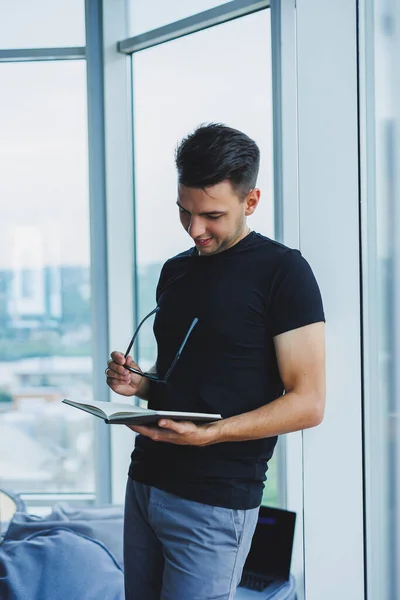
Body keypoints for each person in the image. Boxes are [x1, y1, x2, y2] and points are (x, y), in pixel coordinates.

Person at [106, 123, 326, 600]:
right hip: (144, 482)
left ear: (251, 201)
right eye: (184, 212)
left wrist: (212, 434)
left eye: (212, 215)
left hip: (214, 500)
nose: (195, 229)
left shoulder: (284, 272)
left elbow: (308, 403)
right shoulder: (176, 269)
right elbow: (185, 377)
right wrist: (138, 384)